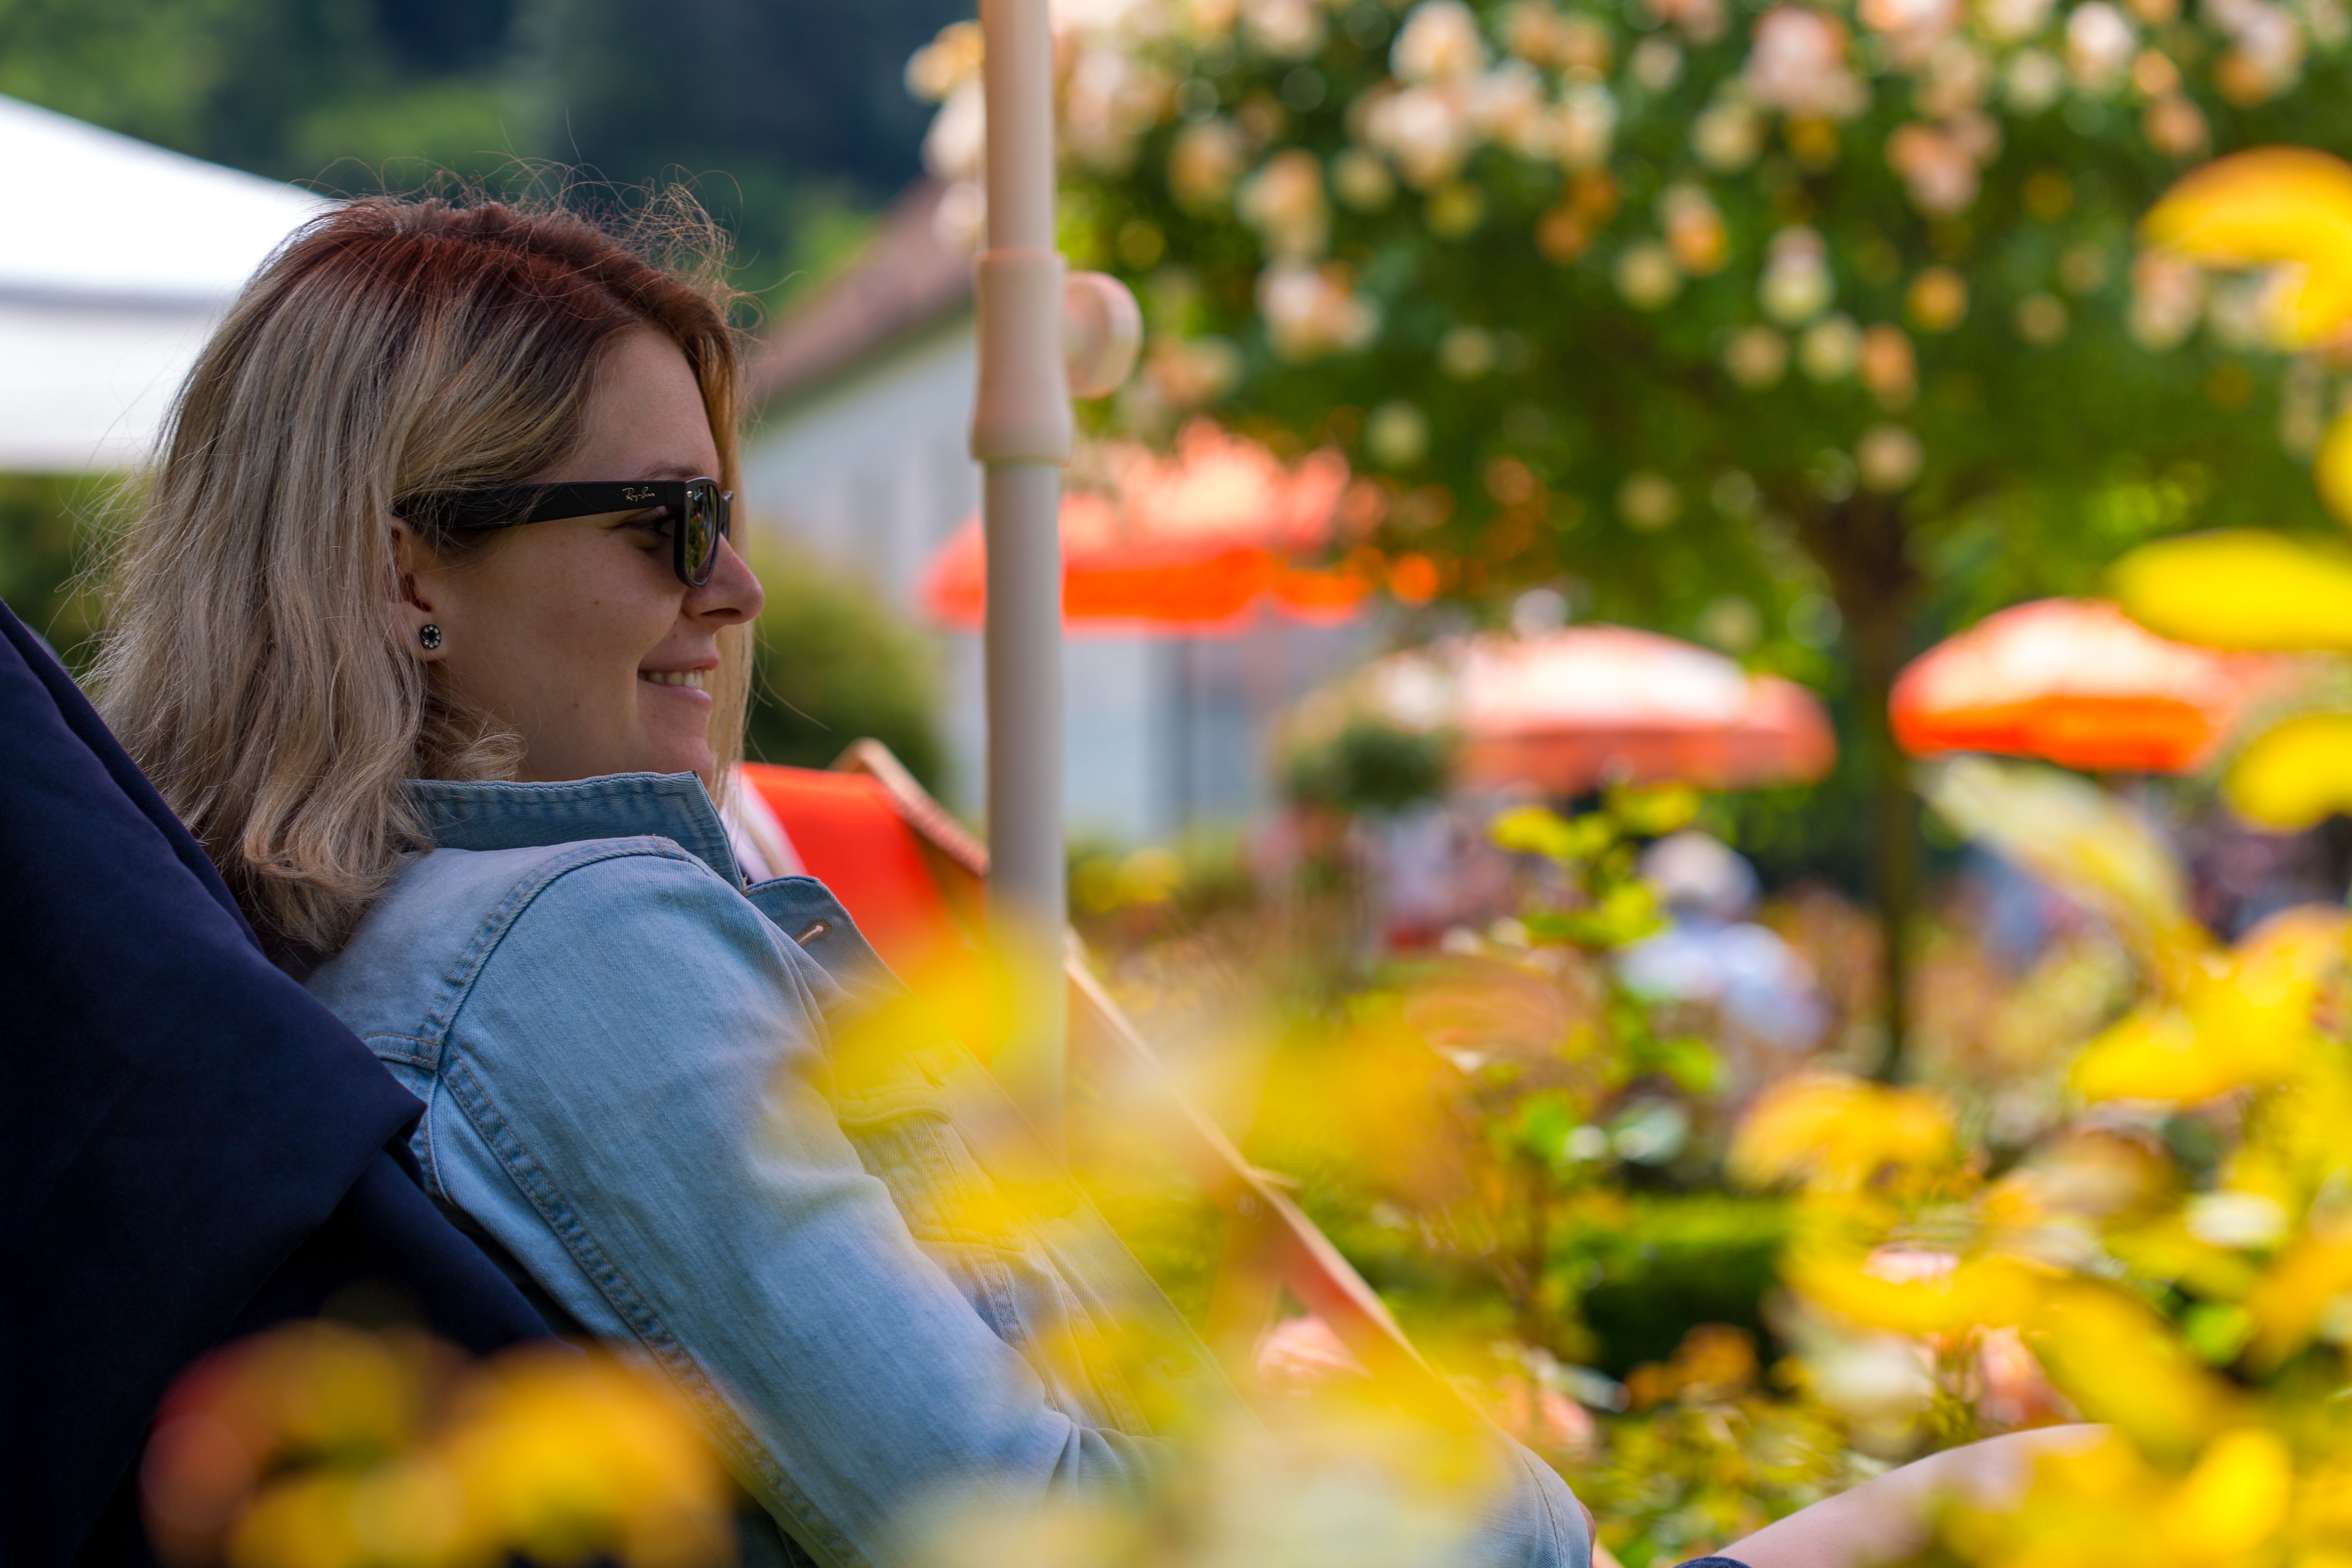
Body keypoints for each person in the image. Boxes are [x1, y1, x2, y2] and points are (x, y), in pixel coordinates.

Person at [91, 192, 2075, 1568]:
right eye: (666, 519)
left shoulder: (378, 957)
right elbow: (1016, 1515)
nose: (741, 584)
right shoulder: (576, 942)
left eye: (735, 509)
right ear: (401, 567)